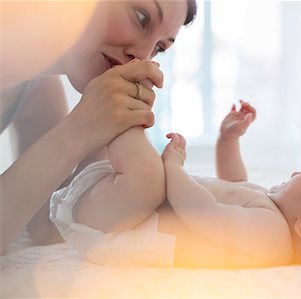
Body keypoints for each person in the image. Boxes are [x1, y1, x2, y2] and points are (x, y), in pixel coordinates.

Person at [51, 100, 301, 269]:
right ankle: (102, 119)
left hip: (125, 224)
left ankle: (113, 101)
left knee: (141, 155)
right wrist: (227, 141)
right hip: (123, 206)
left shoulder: (271, 236)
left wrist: (174, 167)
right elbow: (234, 183)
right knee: (140, 168)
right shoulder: (270, 214)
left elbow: (200, 210)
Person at [0, 0, 197, 253]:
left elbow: (48, 225)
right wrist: (78, 130)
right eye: (140, 16)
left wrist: (108, 127)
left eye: (159, 47)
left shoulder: (39, 92)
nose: (143, 55)